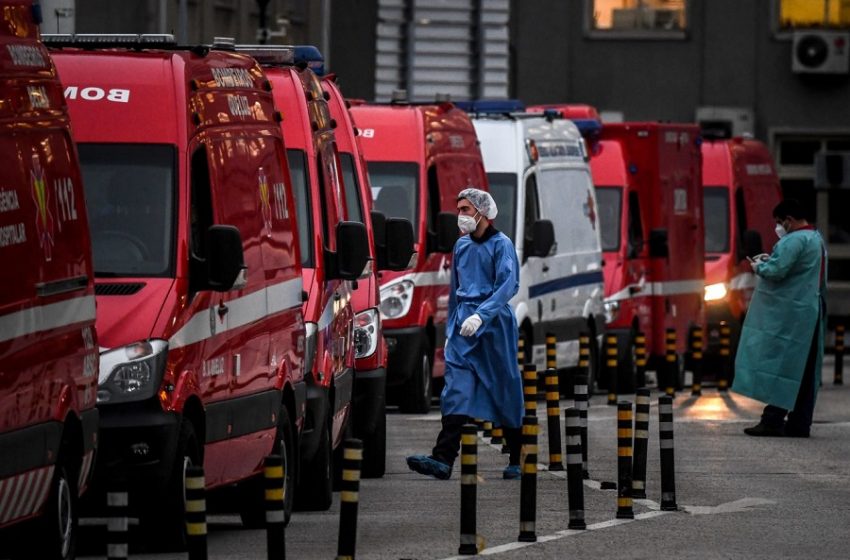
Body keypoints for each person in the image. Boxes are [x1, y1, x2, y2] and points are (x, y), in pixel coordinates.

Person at [406, 187, 525, 479]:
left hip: (494, 324)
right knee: (456, 388)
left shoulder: (502, 245)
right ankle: (443, 458)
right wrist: (451, 330)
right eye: (459, 209)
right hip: (463, 326)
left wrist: (481, 315)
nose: (461, 216)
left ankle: (517, 457)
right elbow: (456, 289)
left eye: (466, 210)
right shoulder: (461, 246)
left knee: (504, 385)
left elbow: (508, 286)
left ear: (482, 212)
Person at [733, 199, 827, 438]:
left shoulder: (795, 239)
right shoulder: (816, 239)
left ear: (790, 220)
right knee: (804, 373)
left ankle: (773, 420)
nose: (778, 227)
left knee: (784, 367)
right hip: (809, 312)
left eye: (779, 222)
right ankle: (799, 423)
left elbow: (777, 270)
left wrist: (758, 267)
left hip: (792, 317)